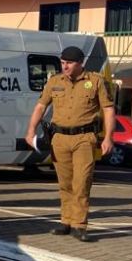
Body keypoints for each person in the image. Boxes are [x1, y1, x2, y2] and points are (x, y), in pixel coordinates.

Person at [25, 46, 115, 242]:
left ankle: (79, 225)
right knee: (65, 183)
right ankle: (66, 221)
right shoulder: (55, 82)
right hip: (60, 138)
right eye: (63, 63)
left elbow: (108, 109)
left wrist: (108, 137)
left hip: (84, 138)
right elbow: (40, 106)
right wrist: (31, 130)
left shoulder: (95, 81)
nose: (65, 66)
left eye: (69, 63)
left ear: (80, 63)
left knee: (81, 182)